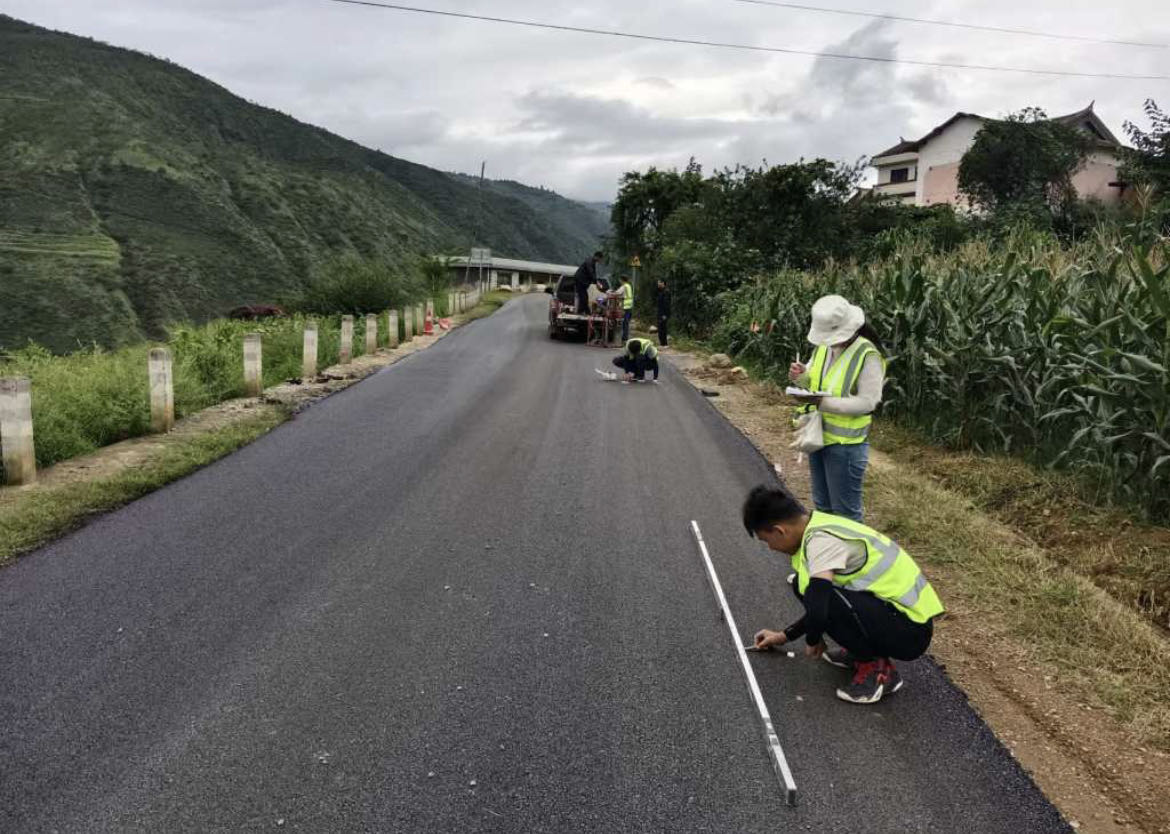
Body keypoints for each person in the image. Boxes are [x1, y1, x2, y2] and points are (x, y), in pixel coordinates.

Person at [742, 485, 943, 704]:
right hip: (895, 616)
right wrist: (784, 636)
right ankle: (860, 651)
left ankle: (879, 671)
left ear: (780, 531)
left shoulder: (821, 542)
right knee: (803, 584)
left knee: (822, 596)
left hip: (910, 632)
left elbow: (820, 606)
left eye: (767, 541)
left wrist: (813, 639)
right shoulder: (818, 524)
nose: (771, 548)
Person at [789, 295, 885, 523]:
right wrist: (800, 376)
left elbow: (868, 403)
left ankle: (850, 547)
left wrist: (822, 403)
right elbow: (813, 381)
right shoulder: (823, 349)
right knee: (823, 506)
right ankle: (828, 544)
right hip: (817, 437)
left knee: (846, 515)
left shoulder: (868, 355)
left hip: (845, 446)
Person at [616, 274, 635, 341]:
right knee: (626, 323)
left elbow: (617, 293)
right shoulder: (628, 286)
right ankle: (625, 337)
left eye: (619, 279)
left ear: (622, 280)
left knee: (624, 323)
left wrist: (611, 293)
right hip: (629, 306)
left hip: (625, 306)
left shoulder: (624, 286)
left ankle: (624, 338)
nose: (619, 281)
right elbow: (625, 295)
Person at [655, 279, 671, 347]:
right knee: (660, 328)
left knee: (663, 328)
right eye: (658, 283)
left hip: (663, 313)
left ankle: (664, 344)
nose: (658, 284)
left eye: (659, 283)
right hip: (660, 312)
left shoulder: (666, 292)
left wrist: (665, 314)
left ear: (663, 283)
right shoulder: (660, 291)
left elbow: (666, 304)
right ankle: (662, 343)